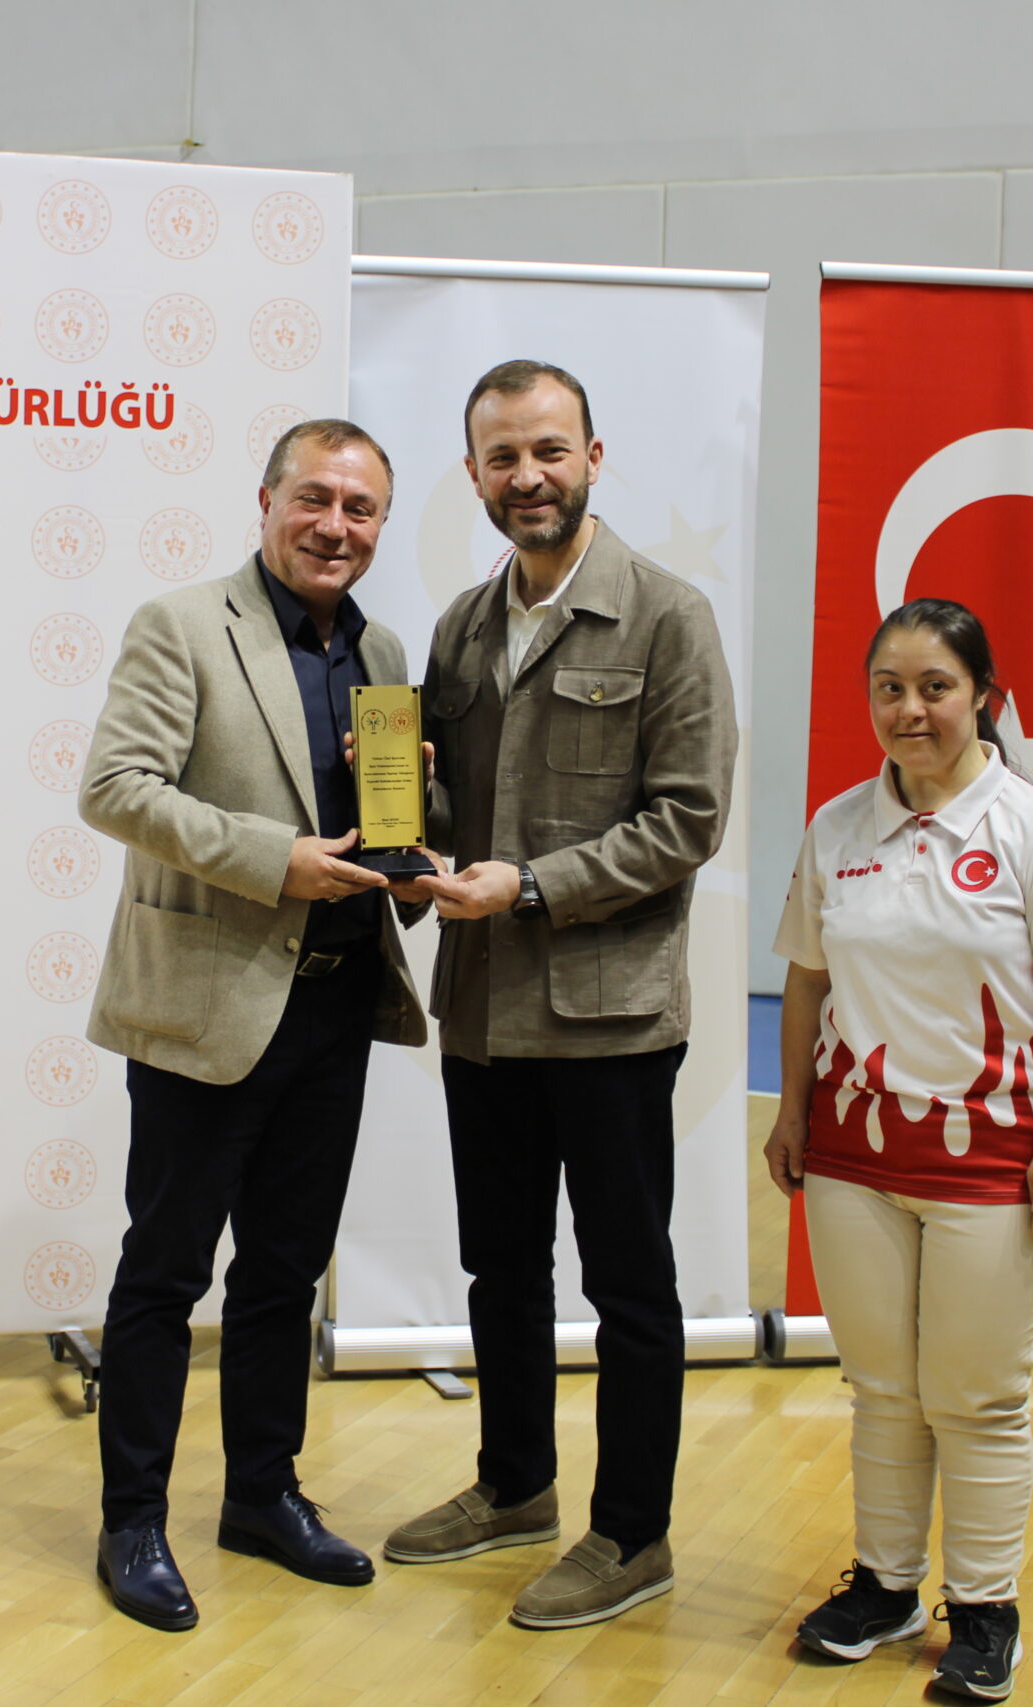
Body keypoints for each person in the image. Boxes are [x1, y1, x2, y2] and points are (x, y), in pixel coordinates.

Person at [384, 361, 736, 1631]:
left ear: (594, 456)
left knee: (628, 1286)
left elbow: (687, 822)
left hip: (610, 1019)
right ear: (472, 474)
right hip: (483, 1010)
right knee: (500, 1270)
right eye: (502, 457)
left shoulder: (668, 617)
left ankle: (632, 1534)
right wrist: (400, 809)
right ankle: (514, 1485)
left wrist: (529, 886)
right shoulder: (459, 629)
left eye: (548, 451)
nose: (527, 477)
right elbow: (453, 809)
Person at [78, 418, 430, 1632]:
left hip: (335, 999)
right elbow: (116, 788)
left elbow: (381, 814)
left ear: (380, 525)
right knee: (166, 1274)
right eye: (314, 499)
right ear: (267, 501)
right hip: (207, 1002)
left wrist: (415, 815)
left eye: (360, 509)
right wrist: (271, 858)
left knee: (284, 1272)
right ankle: (132, 1522)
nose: (335, 527)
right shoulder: (182, 625)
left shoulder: (382, 649)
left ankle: (261, 1496)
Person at [764, 598, 1033, 1702]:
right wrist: (792, 1113)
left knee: (975, 1397)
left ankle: (982, 1609)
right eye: (890, 688)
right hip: (856, 1158)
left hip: (993, 1164)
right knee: (881, 1386)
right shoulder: (838, 827)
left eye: (935, 687)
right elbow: (807, 982)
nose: (910, 709)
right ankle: (884, 1587)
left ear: (984, 699)